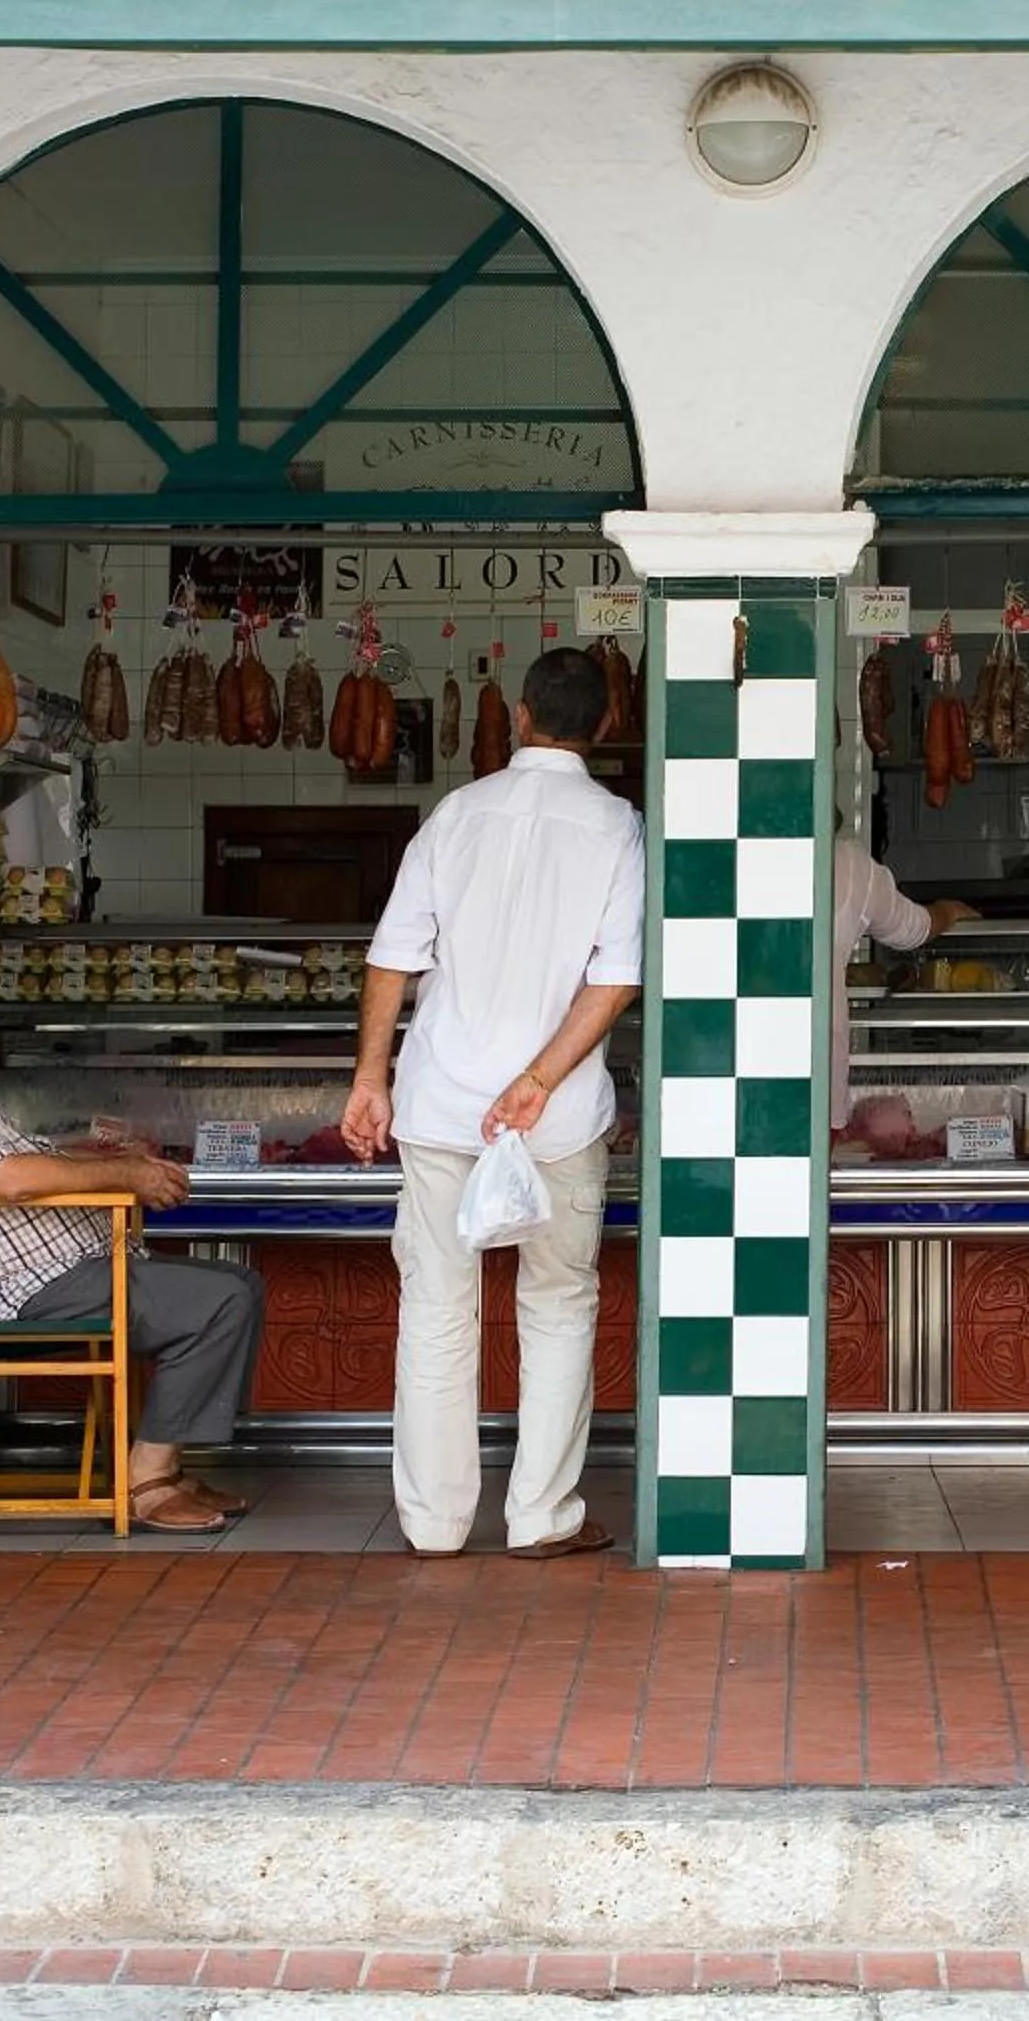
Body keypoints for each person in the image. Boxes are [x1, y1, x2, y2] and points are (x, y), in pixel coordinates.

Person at [343, 645, 643, 1559]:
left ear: (517, 716)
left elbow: (393, 954)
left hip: (439, 1109)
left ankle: (433, 1524)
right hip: (553, 1120)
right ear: (603, 726)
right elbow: (617, 977)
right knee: (556, 1306)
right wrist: (540, 1079)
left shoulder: (455, 815)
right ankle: (541, 1518)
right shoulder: (616, 825)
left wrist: (369, 1077)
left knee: (437, 1307)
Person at [0, 965, 265, 1535]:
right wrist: (125, 1174)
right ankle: (146, 1481)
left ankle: (166, 1461)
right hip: (19, 1292)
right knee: (220, 1300)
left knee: (240, 1284)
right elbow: (8, 1179)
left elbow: (26, 1158)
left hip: (63, 1274)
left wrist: (101, 1158)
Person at [830, 824, 971, 1130]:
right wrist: (946, 912)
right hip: (815, 1078)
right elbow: (913, 929)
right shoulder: (848, 865)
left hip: (722, 1057)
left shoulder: (729, 853)